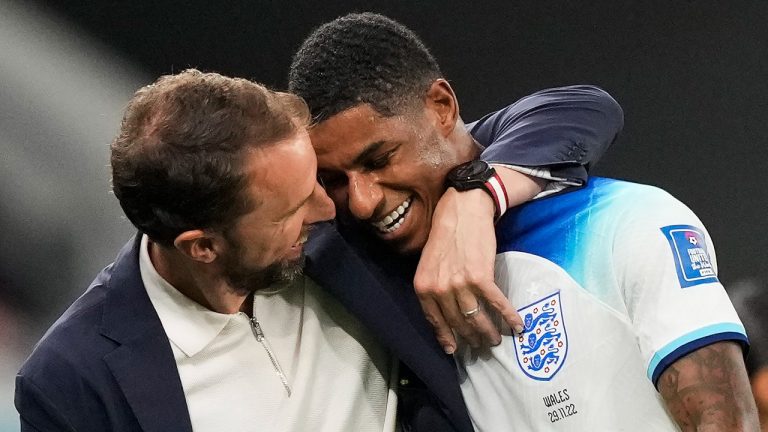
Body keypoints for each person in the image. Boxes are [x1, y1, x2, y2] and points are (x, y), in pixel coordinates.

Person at [15, 64, 618, 431]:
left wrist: (475, 196)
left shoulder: (349, 211)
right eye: (293, 207)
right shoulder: (72, 382)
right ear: (202, 246)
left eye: (315, 182)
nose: (334, 209)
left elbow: (578, 110)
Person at [288, 12, 759, 431]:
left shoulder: (624, 223)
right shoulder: (344, 261)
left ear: (442, 107)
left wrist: (475, 194)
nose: (363, 202)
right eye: (334, 179)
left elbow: (725, 418)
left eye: (381, 159)